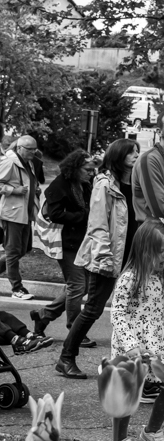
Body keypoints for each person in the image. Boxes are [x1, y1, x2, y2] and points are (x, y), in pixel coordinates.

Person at [55, 139, 140, 379]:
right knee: (93, 308)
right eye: (131, 152)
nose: (136, 155)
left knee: (131, 310)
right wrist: (104, 257)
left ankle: (125, 361)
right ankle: (66, 358)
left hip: (131, 257)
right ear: (118, 155)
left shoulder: (135, 183)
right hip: (109, 256)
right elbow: (98, 224)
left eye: (137, 152)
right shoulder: (105, 184)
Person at [107, 220, 164, 441]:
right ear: (143, 249)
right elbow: (117, 312)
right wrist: (130, 345)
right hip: (132, 345)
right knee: (128, 391)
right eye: (161, 251)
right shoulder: (130, 278)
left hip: (158, 342)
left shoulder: (162, 279)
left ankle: (151, 432)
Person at [31, 150, 95, 345]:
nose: (90, 173)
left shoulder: (83, 184)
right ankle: (75, 331)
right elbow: (55, 214)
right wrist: (83, 217)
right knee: (78, 286)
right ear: (75, 168)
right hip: (66, 243)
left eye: (92, 170)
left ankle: (43, 316)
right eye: (87, 169)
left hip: (81, 242)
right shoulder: (59, 185)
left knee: (81, 287)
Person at [0, 135, 42, 300]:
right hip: (12, 213)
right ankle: (17, 288)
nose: (33, 152)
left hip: (25, 213)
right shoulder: (9, 161)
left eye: (34, 149)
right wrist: (14, 191)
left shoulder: (28, 162)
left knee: (24, 249)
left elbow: (30, 182)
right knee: (13, 251)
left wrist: (35, 189)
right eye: (29, 149)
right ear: (19, 148)